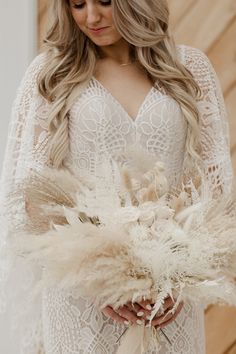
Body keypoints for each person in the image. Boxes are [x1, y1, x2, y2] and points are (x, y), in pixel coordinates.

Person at [0, 0, 233, 353]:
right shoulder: (52, 72)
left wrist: (182, 278)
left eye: (105, 2)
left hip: (169, 298)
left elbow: (216, 192)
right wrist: (99, 280)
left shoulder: (190, 68)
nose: (91, 17)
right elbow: (31, 197)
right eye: (78, 4)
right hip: (79, 295)